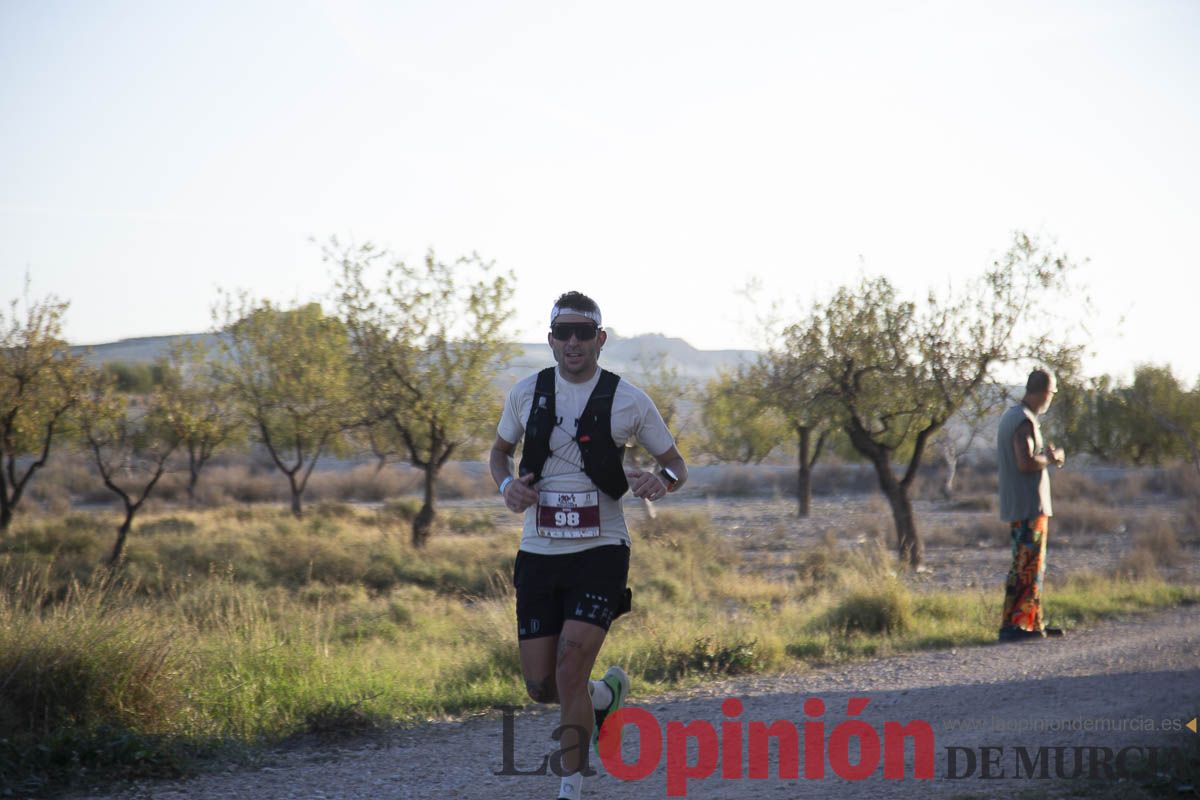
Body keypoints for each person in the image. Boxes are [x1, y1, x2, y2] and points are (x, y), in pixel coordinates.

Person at [489, 291, 687, 800]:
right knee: (542, 685)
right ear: (550, 340)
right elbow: (499, 453)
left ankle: (570, 789)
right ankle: (605, 696)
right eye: (563, 332)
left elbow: (676, 466)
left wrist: (659, 482)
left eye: (583, 332)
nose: (573, 341)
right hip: (539, 550)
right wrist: (505, 486)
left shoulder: (629, 399)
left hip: (602, 548)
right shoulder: (525, 393)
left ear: (601, 339)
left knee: (569, 666)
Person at [996, 368, 1066, 642]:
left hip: (1021, 504)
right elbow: (1024, 462)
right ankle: (1014, 626)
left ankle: (1031, 623)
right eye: (1051, 393)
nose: (1050, 398)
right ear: (1044, 391)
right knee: (1027, 565)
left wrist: (1047, 457)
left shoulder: (1012, 417)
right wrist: (1048, 459)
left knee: (1030, 565)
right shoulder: (1023, 422)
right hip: (1028, 506)